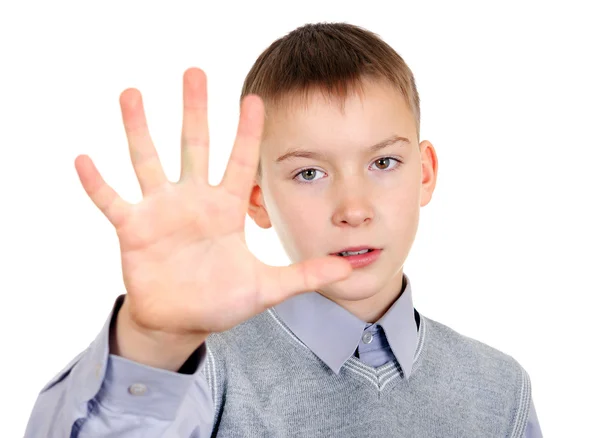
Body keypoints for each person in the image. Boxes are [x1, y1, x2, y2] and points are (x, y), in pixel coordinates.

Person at [24, 22, 542, 437]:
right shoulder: (200, 368)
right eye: (309, 173)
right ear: (258, 198)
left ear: (424, 173)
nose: (354, 208)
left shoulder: (499, 392)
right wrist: (151, 340)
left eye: (383, 162)